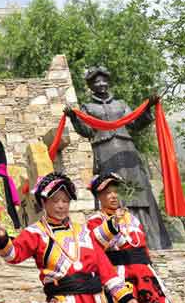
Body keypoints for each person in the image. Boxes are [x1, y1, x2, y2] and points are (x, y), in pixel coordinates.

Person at [0, 173, 140, 303]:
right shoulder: (35, 233)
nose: (61, 206)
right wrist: (1, 238)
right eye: (55, 201)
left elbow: (104, 267)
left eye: (65, 201)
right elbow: (13, 255)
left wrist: (125, 296)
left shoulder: (83, 232)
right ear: (44, 202)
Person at [87, 172, 185, 303]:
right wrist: (112, 225)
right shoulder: (95, 221)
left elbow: (143, 248)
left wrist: (152, 271)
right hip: (121, 279)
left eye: (115, 191)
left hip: (145, 279)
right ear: (99, 197)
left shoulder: (131, 218)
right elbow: (95, 245)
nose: (113, 196)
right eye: (107, 192)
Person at [65, 67, 171, 250]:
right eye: (96, 82)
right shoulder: (88, 108)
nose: (101, 84)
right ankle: (119, 241)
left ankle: (151, 240)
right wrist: (74, 118)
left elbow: (135, 124)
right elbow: (87, 131)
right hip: (104, 153)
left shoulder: (121, 104)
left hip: (127, 151)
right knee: (112, 193)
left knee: (138, 192)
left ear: (108, 82)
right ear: (91, 86)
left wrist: (147, 108)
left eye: (103, 80)